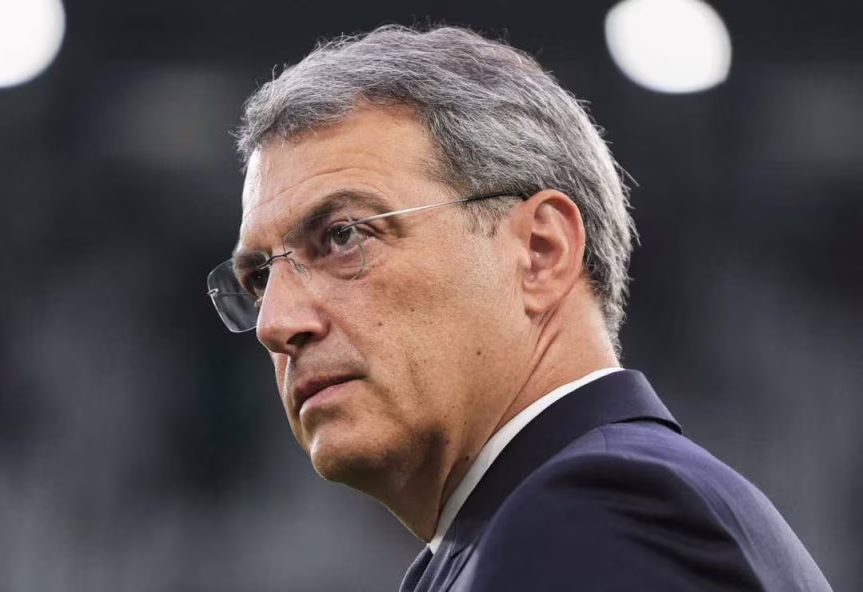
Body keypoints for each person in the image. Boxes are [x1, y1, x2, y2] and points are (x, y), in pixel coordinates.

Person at [206, 25, 832, 591]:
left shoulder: (598, 516)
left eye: (343, 236)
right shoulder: (537, 524)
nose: (276, 324)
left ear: (540, 251)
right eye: (259, 278)